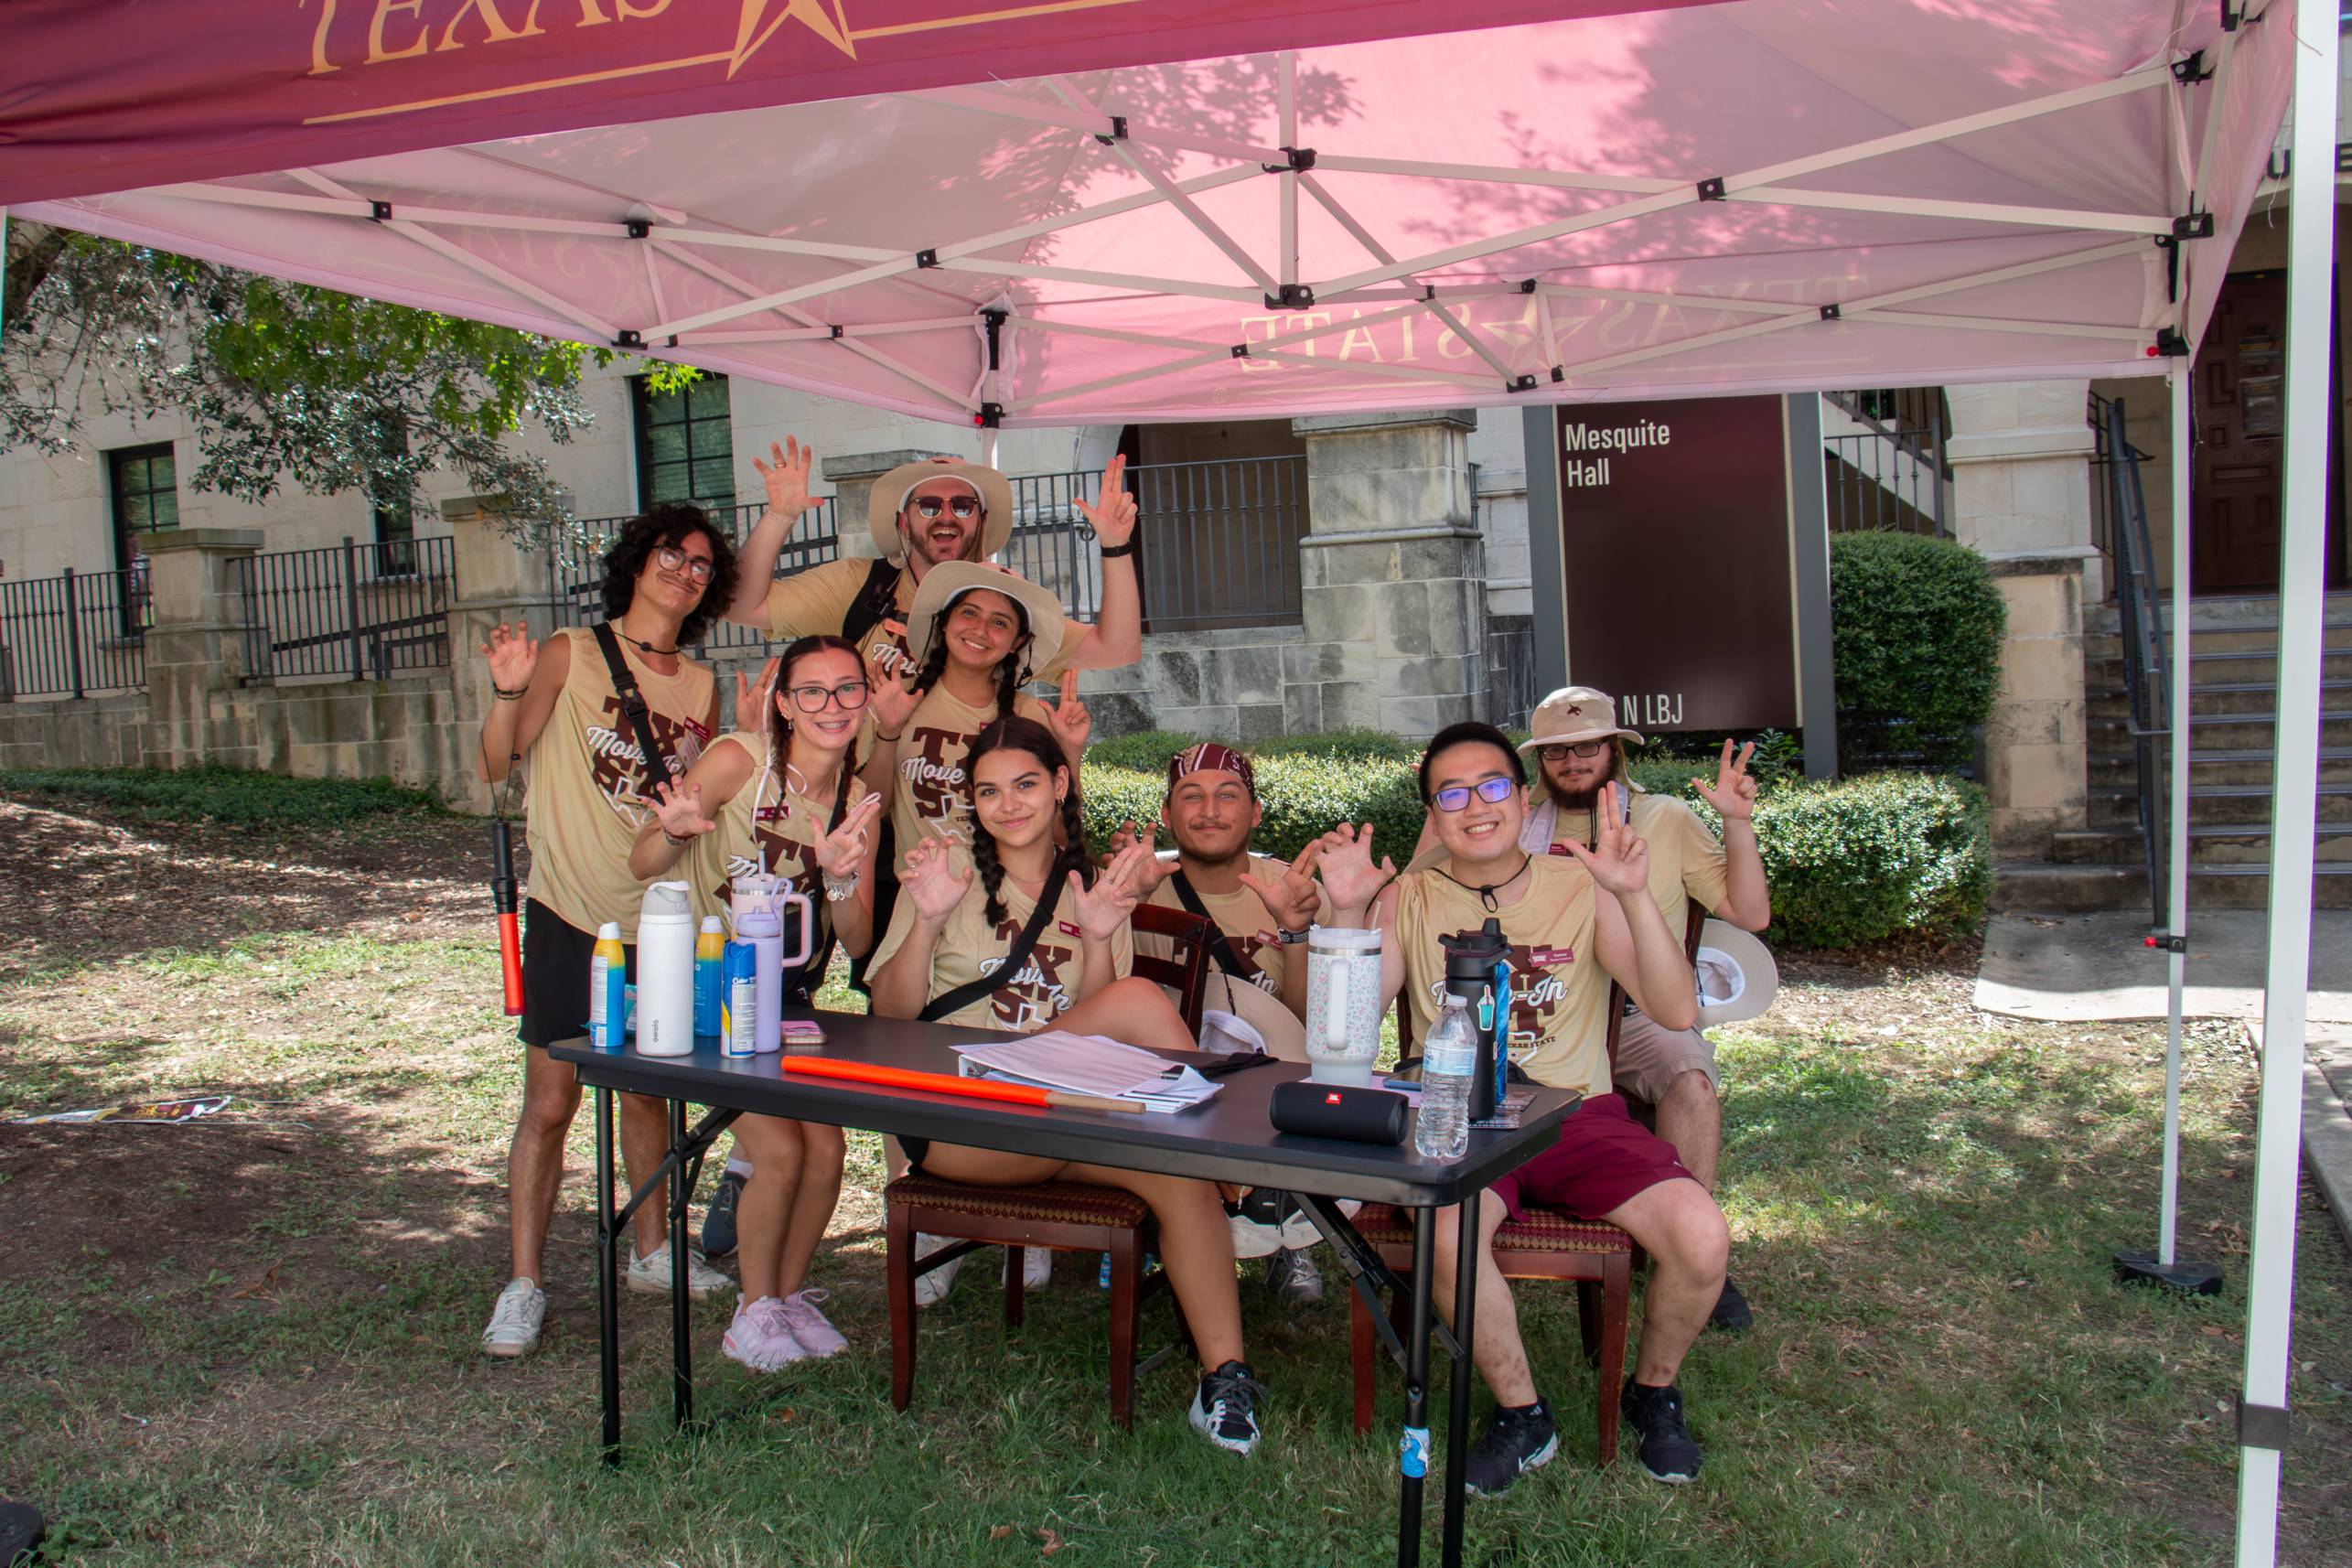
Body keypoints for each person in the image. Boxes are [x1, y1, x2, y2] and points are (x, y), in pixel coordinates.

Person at [1277, 722, 1729, 1489]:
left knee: (1700, 1236)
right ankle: (1523, 1412)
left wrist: (1630, 895)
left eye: (1491, 786)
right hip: (1454, 1119)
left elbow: (1675, 1010)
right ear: (1432, 812)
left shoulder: (1578, 883)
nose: (1474, 805)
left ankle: (1653, 1392)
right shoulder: (1407, 898)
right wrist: (1347, 916)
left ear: (1521, 799)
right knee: (1448, 1239)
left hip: (1573, 1116)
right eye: (1451, 793)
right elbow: (1338, 1041)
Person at [866, 716, 1269, 1456]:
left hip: (1062, 1110)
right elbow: (889, 1016)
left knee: (1177, 1180)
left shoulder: (1088, 886)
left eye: (1024, 784)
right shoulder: (945, 871)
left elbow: (1096, 1025)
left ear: (1059, 785)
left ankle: (1225, 1381)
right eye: (988, 791)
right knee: (1144, 1004)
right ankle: (1240, 1170)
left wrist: (1094, 935)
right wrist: (924, 921)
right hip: (963, 1119)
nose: (1007, 804)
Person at [476, 503, 739, 1359]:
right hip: (568, 912)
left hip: (658, 919)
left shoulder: (700, 685)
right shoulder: (572, 653)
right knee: (549, 1103)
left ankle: (653, 1254)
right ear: (637, 559)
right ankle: (523, 1283)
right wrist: (510, 690)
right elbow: (493, 763)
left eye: (702, 564)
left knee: (648, 1096)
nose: (685, 570)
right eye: (672, 553)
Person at [628, 634, 885, 1370]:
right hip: (704, 985)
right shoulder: (741, 760)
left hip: (786, 999)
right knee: (774, 1150)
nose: (830, 706)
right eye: (812, 690)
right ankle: (750, 1312)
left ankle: (785, 1296)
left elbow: (858, 937)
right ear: (784, 702)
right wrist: (671, 833)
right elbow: (641, 859)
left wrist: (837, 875)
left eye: (846, 689)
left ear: (865, 700)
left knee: (827, 1150)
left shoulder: (858, 798)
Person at [1516, 686, 1772, 1331]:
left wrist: (1736, 824)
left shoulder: (1664, 819)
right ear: (1538, 761)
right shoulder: (1515, 825)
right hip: (1543, 1016)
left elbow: (1749, 914)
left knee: (1689, 1078)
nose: (1573, 761)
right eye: (1556, 751)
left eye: (1587, 746)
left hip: (1635, 1015)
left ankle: (1684, 1250)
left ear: (1614, 750)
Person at [1111, 742, 1331, 1302]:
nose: (1210, 810)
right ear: (1166, 815)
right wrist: (1119, 906)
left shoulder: (1295, 888)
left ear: (1255, 813)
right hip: (1164, 1079)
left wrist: (1297, 934)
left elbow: (1310, 1027)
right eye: (1192, 796)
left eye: (1227, 795)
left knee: (1274, 1038)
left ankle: (1288, 1230)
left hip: (1270, 1072)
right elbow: (1102, 1007)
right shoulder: (1137, 882)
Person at [723, 443, 1142, 687]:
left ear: (980, 520)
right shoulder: (857, 585)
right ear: (903, 521)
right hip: (875, 819)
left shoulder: (1007, 604)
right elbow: (742, 607)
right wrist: (779, 517)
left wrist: (1116, 545)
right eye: (928, 505)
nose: (946, 516)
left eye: (962, 505)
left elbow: (1117, 650)